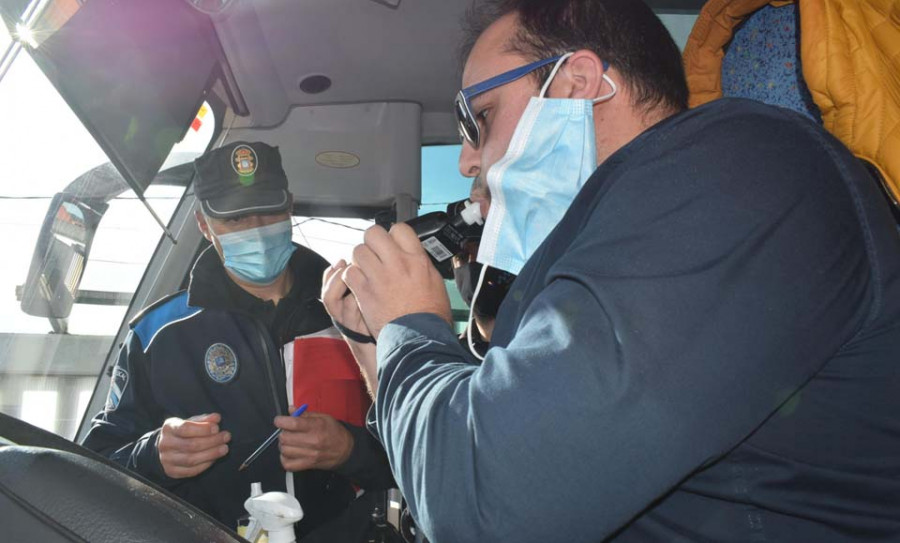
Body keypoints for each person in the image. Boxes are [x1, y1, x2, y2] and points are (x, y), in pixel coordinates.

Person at [321, 0, 900, 541]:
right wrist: (378, 351)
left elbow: (487, 505)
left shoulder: (743, 169)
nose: (468, 158)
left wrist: (410, 327)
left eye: (481, 118)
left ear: (576, 84)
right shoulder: (602, 253)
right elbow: (450, 475)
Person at [82, 141, 394, 541]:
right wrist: (153, 455)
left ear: (290, 205)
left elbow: (419, 453)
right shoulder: (155, 334)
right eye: (235, 218)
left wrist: (350, 450)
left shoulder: (355, 315)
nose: (257, 229)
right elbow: (96, 464)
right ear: (203, 224)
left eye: (268, 210)